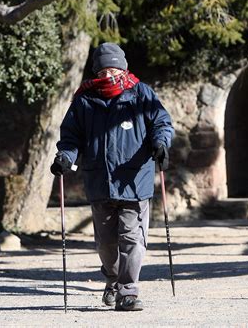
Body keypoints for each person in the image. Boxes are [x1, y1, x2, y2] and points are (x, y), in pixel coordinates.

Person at [50, 42, 174, 311]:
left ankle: (128, 291)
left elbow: (161, 122)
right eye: (104, 70)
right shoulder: (84, 100)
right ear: (96, 72)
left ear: (123, 68)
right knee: (105, 244)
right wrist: (65, 158)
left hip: (135, 181)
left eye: (114, 69)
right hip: (99, 181)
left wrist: (161, 144)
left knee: (132, 238)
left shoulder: (141, 93)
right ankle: (113, 279)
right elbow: (71, 137)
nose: (110, 75)